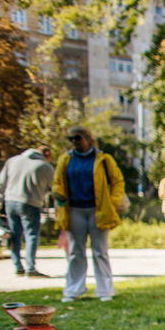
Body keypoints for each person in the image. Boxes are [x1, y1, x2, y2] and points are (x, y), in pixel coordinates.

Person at [52, 125, 124, 302]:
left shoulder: (103, 159)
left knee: (100, 251)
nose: (73, 142)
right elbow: (57, 181)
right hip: (74, 209)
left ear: (87, 138)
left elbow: (118, 182)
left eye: (77, 138)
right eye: (70, 139)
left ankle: (105, 290)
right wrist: (58, 193)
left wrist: (113, 203)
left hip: (98, 210)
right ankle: (73, 290)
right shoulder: (65, 159)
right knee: (75, 251)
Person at [0, 145, 55, 277]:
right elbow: (56, 186)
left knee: (15, 235)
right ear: (47, 154)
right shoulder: (44, 166)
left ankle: (18, 267)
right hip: (31, 203)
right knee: (31, 235)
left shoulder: (13, 160)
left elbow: (0, 181)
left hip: (10, 201)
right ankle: (31, 268)